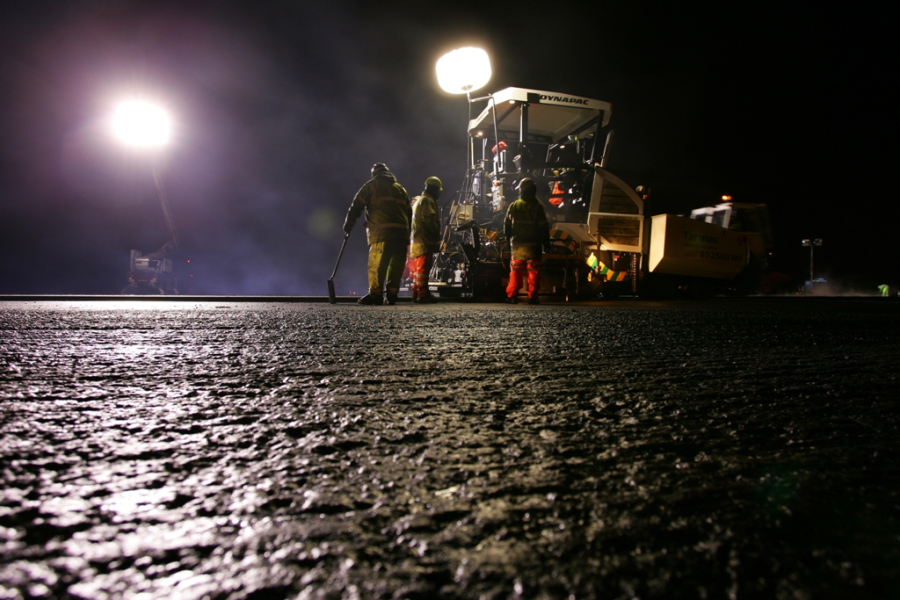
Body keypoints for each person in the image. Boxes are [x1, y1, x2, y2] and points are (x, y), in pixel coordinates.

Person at [344, 163, 412, 305]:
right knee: (396, 266)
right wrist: (408, 233)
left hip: (381, 233)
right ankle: (392, 295)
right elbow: (409, 213)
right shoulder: (400, 189)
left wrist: (348, 225)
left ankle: (375, 295)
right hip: (401, 234)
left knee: (376, 265)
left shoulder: (372, 185)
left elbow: (356, 206)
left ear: (375, 174)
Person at [504, 177, 550, 304]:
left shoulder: (513, 206)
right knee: (534, 272)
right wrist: (546, 242)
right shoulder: (537, 207)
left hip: (517, 247)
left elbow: (506, 226)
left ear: (521, 191)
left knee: (515, 271)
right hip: (534, 247)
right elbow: (543, 226)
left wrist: (508, 240)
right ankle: (532, 297)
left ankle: (512, 296)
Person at [409, 176, 443, 304]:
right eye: (438, 190)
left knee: (419, 270)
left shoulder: (420, 200)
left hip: (418, 240)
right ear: (434, 189)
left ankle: (416, 293)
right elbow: (429, 220)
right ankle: (423, 295)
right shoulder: (427, 201)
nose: (439, 193)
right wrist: (437, 235)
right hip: (424, 241)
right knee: (423, 269)